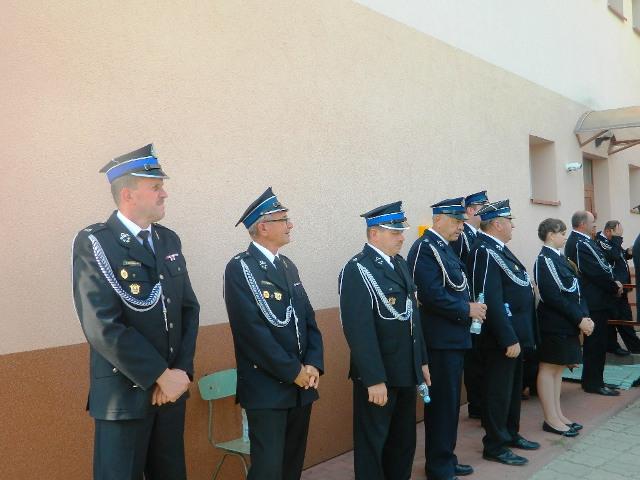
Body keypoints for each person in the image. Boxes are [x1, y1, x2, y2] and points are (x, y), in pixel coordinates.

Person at [72, 144, 200, 480]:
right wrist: (160, 374)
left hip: (170, 395)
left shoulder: (168, 241)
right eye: (156, 187)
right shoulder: (96, 242)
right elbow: (102, 325)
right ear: (128, 194)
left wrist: (180, 372)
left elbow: (188, 310)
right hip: (124, 398)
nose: (164, 193)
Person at [224, 187, 324, 480]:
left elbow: (308, 320)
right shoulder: (240, 268)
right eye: (283, 219)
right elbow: (251, 333)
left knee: (292, 467)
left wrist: (313, 363)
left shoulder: (288, 266)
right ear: (264, 227)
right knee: (268, 470)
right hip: (267, 389)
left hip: (301, 386)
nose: (290, 225)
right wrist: (293, 370)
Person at [339, 201, 430, 480]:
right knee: (373, 444)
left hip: (405, 370)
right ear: (374, 234)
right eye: (395, 232)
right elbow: (359, 330)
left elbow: (413, 318)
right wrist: (374, 378)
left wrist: (421, 362)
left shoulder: (400, 264)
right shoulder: (357, 269)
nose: (402, 237)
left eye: (401, 231)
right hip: (380, 375)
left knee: (403, 442)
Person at [407, 197, 485, 480]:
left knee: (450, 404)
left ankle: (447, 458)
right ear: (438, 219)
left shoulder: (444, 247)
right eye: (455, 221)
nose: (460, 227)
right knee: (441, 405)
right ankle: (438, 466)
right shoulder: (424, 249)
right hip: (439, 341)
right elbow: (431, 294)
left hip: (453, 338)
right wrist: (466, 309)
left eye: (462, 222)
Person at [467, 199, 539, 466]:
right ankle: (495, 444)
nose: (513, 226)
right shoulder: (484, 251)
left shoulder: (498, 249)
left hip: (514, 334)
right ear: (497, 224)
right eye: (510, 221)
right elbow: (490, 299)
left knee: (511, 389)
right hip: (499, 338)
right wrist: (507, 337)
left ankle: (510, 434)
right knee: (498, 392)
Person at [533, 218, 594, 437]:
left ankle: (558, 415)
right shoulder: (544, 260)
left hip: (568, 323)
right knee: (549, 368)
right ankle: (550, 419)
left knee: (558, 369)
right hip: (554, 324)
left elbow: (577, 291)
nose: (564, 237)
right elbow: (553, 297)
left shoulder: (560, 258)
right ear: (551, 234)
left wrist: (585, 316)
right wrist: (579, 319)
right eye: (561, 233)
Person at [565, 211, 623, 396]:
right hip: (593, 300)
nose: (595, 225)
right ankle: (593, 383)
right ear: (582, 224)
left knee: (599, 344)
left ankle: (597, 379)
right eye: (592, 222)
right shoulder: (579, 243)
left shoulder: (585, 241)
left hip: (598, 299)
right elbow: (596, 272)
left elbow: (604, 264)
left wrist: (614, 282)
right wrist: (614, 286)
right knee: (595, 345)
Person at [451, 191, 489, 420]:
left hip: (479, 305)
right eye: (483, 207)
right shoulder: (462, 236)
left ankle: (481, 401)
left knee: (481, 356)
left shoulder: (478, 236)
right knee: (474, 359)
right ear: (471, 210)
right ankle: (477, 405)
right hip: (468, 305)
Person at [596, 220, 640, 354]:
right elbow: (613, 255)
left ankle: (632, 347)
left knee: (623, 319)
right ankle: (622, 348)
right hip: (613, 290)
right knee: (619, 320)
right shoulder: (601, 242)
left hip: (621, 289)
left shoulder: (612, 242)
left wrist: (628, 252)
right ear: (608, 231)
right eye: (618, 234)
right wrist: (617, 239)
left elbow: (619, 255)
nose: (620, 237)